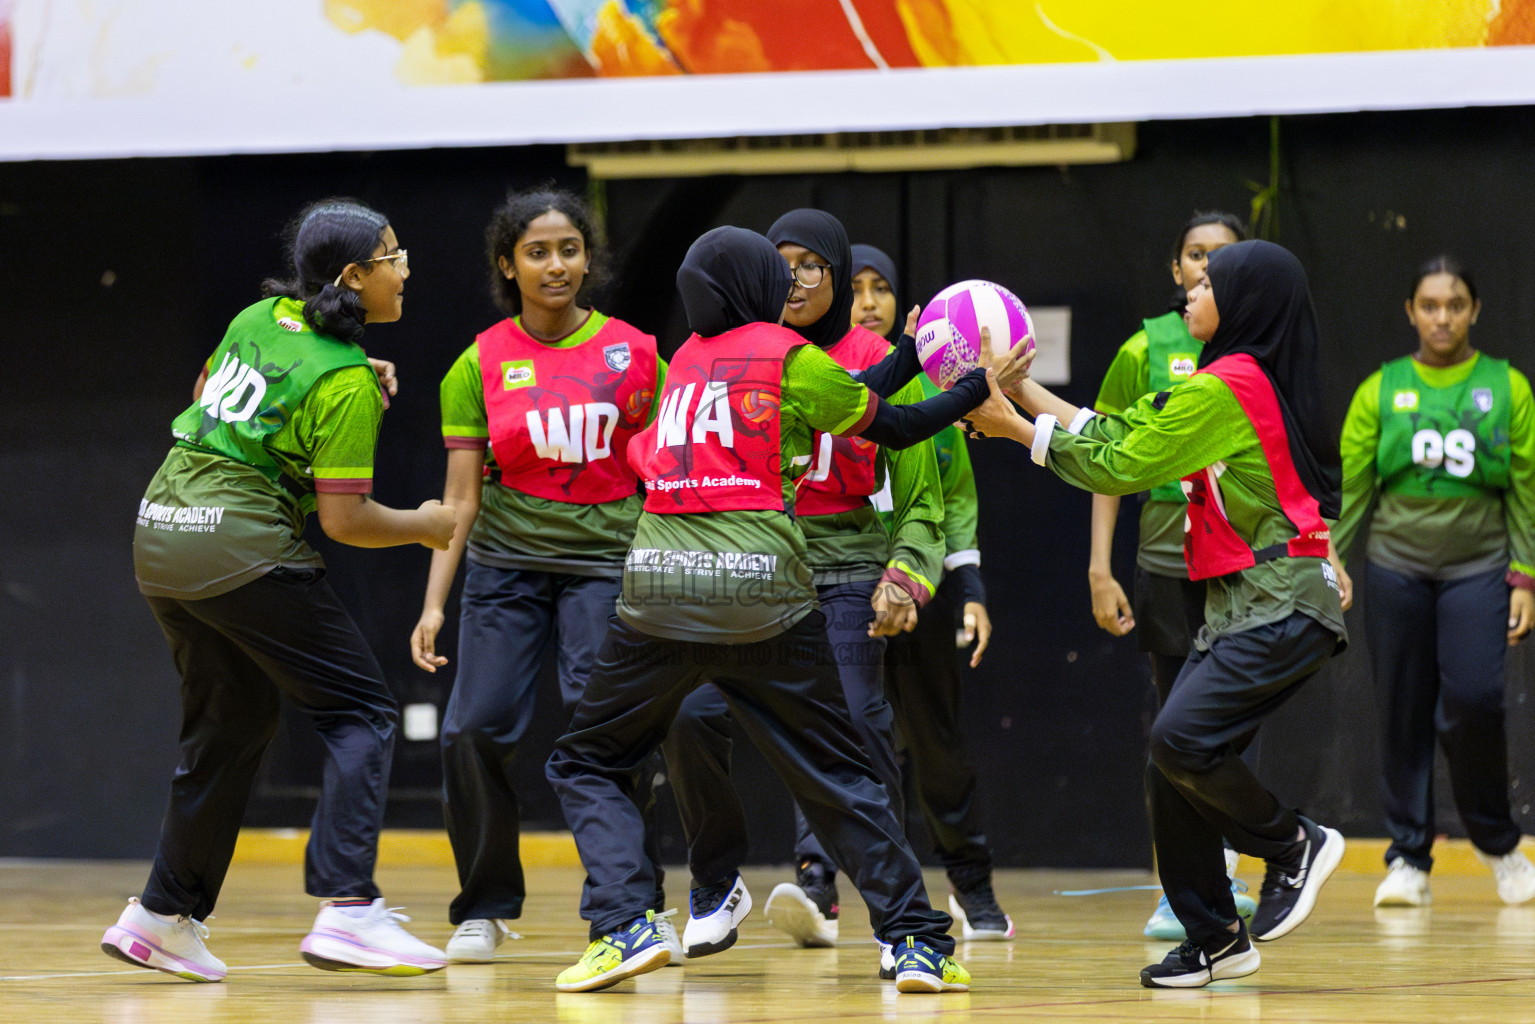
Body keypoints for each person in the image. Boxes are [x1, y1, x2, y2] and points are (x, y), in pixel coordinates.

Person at [543, 225, 997, 994]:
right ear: (753, 285)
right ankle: (914, 941)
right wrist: (969, 389)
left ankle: (623, 923)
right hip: (761, 589)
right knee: (841, 770)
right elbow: (887, 422)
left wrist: (911, 357)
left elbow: (647, 452)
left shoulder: (685, 359)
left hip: (658, 588)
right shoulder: (785, 356)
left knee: (586, 757)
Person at [965, 239, 1350, 988]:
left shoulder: (1225, 386)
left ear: (1242, 303)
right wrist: (1025, 393)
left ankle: (1292, 844)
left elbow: (1120, 467)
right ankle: (1215, 939)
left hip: (1280, 604)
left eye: (1206, 286)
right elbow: (1117, 433)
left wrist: (1012, 426)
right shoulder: (1226, 381)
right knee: (1167, 767)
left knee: (1179, 740)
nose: (1188, 296)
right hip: (1243, 606)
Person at [102, 199, 456, 982]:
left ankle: (161, 915)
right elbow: (347, 520)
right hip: (239, 545)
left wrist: (354, 369)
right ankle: (348, 908)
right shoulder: (344, 383)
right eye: (393, 257)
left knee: (231, 720)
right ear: (354, 276)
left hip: (160, 534)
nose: (405, 270)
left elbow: (211, 393)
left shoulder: (261, 315)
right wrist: (426, 524)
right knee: (358, 711)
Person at [659, 211, 946, 957]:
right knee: (688, 717)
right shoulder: (721, 353)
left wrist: (905, 576)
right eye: (777, 262)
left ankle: (883, 909)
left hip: (849, 566)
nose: (792, 277)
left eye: (810, 264)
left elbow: (922, 498)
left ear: (838, 274)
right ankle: (716, 882)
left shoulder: (877, 354)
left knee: (855, 719)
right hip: (752, 569)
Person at [408, 188, 680, 963]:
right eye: (537, 251)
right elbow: (458, 499)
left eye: (568, 249)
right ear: (508, 264)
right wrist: (434, 603)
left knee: (610, 733)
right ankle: (484, 904)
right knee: (471, 729)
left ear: (587, 259)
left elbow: (666, 471)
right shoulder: (478, 363)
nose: (555, 264)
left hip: (606, 568)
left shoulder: (634, 353)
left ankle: (632, 905)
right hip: (504, 570)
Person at [1331, 256, 1535, 909]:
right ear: (1410, 312)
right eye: (1428, 304)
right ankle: (1408, 859)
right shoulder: (1380, 390)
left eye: (1453, 304)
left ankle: (1499, 846)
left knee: (1474, 699)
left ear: (1473, 311)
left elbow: (1524, 493)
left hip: (1476, 572)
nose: (1440, 316)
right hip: (1395, 570)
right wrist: (1330, 558)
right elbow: (1355, 489)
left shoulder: (1507, 389)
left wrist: (1524, 576)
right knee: (1402, 708)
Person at [1090, 212, 1258, 940]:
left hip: (1239, 562)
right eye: (1194, 255)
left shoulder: (1258, 351)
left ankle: (1221, 863)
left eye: (1220, 257)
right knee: (1172, 719)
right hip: (1164, 557)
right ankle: (1179, 882)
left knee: (1225, 722)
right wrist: (1099, 566)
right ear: (1174, 268)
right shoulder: (1143, 348)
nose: (1204, 268)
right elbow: (1101, 451)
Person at [849, 243, 1014, 941]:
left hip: (923, 587)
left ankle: (971, 888)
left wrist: (969, 589)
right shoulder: (819, 379)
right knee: (840, 736)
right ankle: (817, 885)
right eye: (852, 286)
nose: (866, 299)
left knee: (935, 745)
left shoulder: (931, 387)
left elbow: (955, 501)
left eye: (879, 286)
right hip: (843, 586)